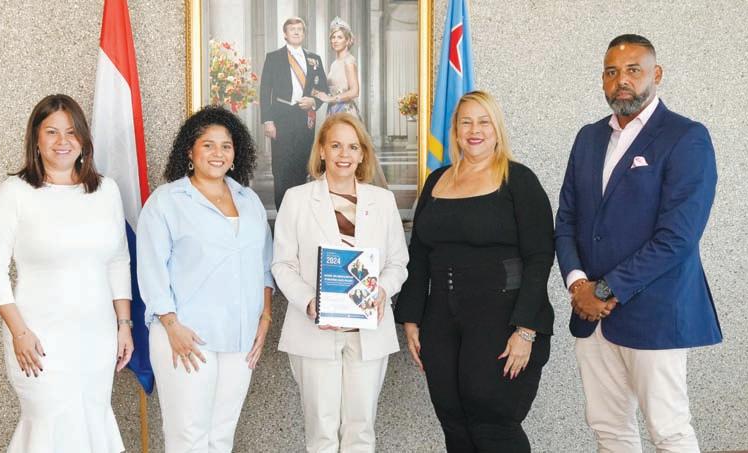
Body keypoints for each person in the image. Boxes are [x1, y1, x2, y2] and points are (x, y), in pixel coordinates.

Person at [554, 34, 720, 453]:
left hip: (655, 312)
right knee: (609, 430)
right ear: (602, 80)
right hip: (591, 315)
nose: (621, 80)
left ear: (656, 73)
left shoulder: (686, 137)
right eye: (611, 72)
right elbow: (567, 218)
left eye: (633, 70)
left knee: (669, 431)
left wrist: (604, 290)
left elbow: (678, 237)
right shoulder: (588, 138)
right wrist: (578, 284)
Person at [395, 91, 554, 452]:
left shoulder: (519, 180)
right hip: (441, 321)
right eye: (466, 122)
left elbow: (540, 256)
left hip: (503, 320)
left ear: (497, 129)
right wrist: (411, 318)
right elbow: (419, 254)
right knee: (453, 421)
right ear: (455, 130)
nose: (474, 130)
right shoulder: (437, 180)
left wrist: (526, 331)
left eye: (484, 122)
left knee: (493, 423)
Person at [0, 94, 133, 452]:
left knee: (92, 417)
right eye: (52, 132)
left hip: (96, 336)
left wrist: (124, 325)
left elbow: (118, 260)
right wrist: (19, 333)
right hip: (38, 337)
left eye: (71, 131)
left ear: (83, 139)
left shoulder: (106, 191)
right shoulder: (14, 193)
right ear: (36, 139)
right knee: (49, 422)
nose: (62, 141)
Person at [136, 106, 274, 453]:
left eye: (226, 146)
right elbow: (151, 270)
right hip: (186, 335)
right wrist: (171, 326)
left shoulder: (249, 200)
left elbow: (263, 266)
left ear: (236, 153)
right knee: (188, 438)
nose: (218, 153)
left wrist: (265, 318)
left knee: (221, 437)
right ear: (190, 151)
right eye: (208, 145)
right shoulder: (167, 202)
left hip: (240, 337)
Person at [272, 113, 409, 452]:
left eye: (352, 147)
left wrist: (382, 290)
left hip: (369, 331)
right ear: (321, 150)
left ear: (362, 154)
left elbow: (398, 263)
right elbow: (282, 265)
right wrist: (310, 302)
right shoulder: (297, 199)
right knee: (321, 432)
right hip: (314, 331)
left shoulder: (382, 201)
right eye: (335, 146)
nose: (344, 154)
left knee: (361, 431)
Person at [259, 16, 329, 209]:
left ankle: (299, 210)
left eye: (300, 29)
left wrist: (314, 101)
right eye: (292, 29)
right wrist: (268, 121)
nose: (296, 32)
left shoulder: (314, 59)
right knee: (281, 167)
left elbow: (323, 89)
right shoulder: (273, 57)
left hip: (305, 118)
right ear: (285, 34)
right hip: (281, 118)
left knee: (302, 164)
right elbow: (265, 91)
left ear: (304, 34)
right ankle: (283, 210)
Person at [314, 16, 389, 188]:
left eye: (339, 37)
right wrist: (318, 94)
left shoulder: (349, 61)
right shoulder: (335, 63)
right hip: (333, 111)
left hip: (345, 111)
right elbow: (335, 87)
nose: (335, 40)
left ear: (348, 41)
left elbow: (355, 91)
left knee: (347, 149)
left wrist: (331, 98)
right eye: (333, 37)